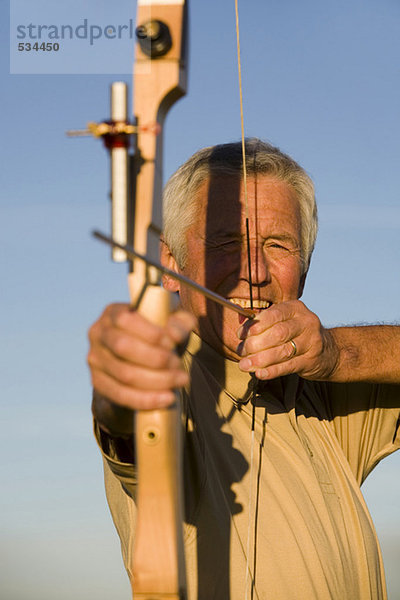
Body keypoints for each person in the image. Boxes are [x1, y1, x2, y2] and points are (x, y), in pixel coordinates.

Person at [88, 139, 400, 600]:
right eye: (225, 241)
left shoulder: (320, 396)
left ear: (305, 268)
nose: (253, 270)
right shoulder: (179, 396)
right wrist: (123, 383)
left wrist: (337, 353)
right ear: (169, 263)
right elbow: (133, 424)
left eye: (278, 244)